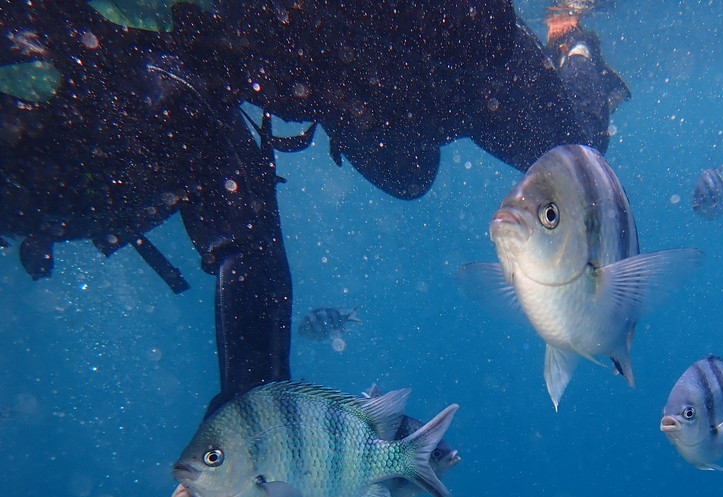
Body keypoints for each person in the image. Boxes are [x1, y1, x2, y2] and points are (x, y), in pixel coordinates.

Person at [1, 0, 627, 416]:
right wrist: (250, 421)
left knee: (579, 148)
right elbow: (237, 208)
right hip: (365, 107)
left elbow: (482, 35)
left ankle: (572, 40)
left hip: (455, 77)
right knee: (410, 178)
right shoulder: (184, 46)